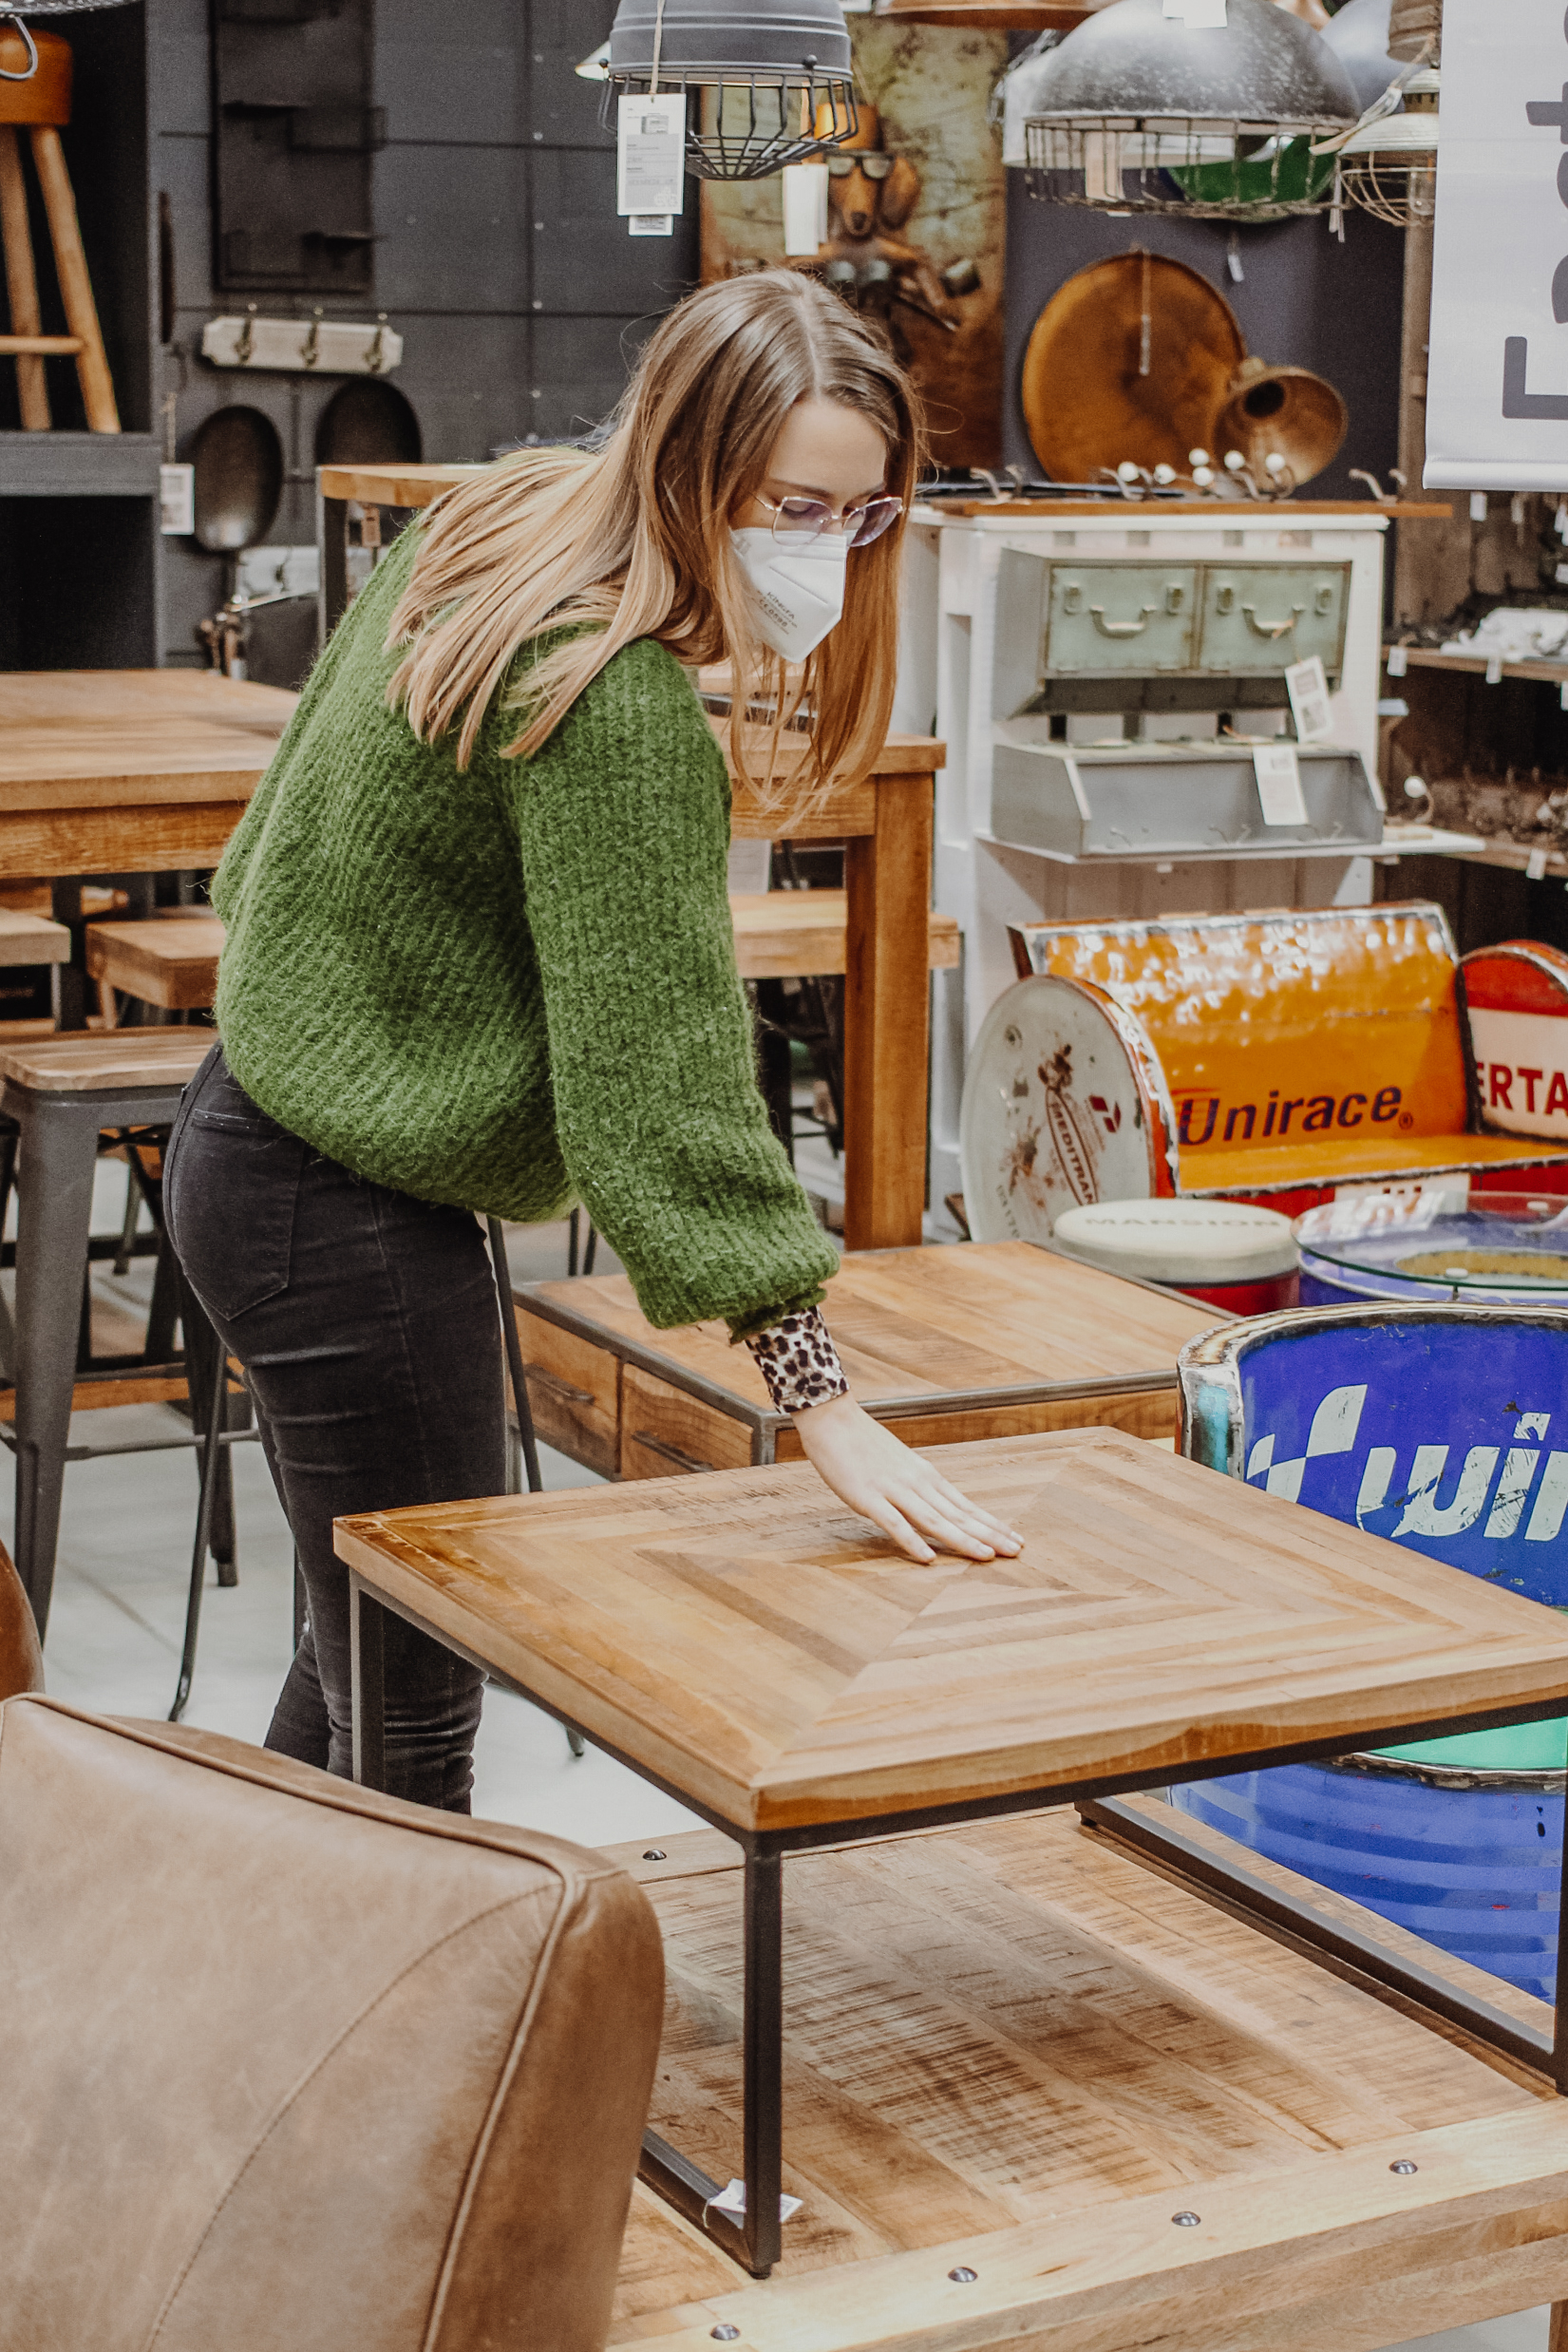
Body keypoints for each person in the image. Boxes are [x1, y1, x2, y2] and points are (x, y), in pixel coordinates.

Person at [164, 268, 1021, 1813]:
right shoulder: (610, 708)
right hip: (339, 1208)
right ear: (690, 465)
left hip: (248, 1134)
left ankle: (255, 2016)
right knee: (419, 1693)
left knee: (351, 1643)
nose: (823, 549)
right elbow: (664, 1093)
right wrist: (818, 1395)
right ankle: (422, 2053)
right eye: (790, 505)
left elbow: (276, 828)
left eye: (859, 516)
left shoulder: (505, 518)